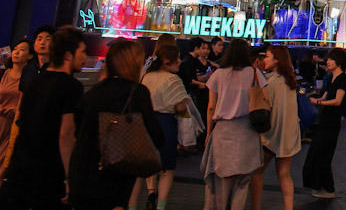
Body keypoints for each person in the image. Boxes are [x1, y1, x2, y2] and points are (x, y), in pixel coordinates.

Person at [67, 39, 162, 210]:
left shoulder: (94, 92)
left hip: (82, 171)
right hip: (114, 176)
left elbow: (78, 129)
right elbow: (155, 134)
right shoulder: (136, 92)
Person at [0, 26, 88, 209]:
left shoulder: (34, 82)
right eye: (82, 51)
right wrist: (69, 178)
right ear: (68, 55)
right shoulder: (71, 87)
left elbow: (22, 120)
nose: (85, 57)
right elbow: (66, 134)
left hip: (20, 170)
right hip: (47, 173)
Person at [200, 38, 264, 210]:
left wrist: (208, 133)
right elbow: (265, 99)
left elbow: (211, 106)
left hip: (223, 132)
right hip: (247, 131)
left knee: (222, 180)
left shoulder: (219, 74)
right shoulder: (254, 73)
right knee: (242, 182)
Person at [130, 43, 189, 210]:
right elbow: (179, 107)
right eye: (177, 58)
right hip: (165, 124)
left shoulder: (145, 76)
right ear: (167, 61)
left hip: (143, 123)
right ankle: (161, 206)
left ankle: (132, 206)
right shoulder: (173, 79)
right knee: (166, 169)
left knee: (139, 171)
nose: (179, 61)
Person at [251, 46, 301, 210]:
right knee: (284, 174)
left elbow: (265, 106)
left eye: (267, 56)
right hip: (288, 135)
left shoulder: (270, 82)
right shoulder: (290, 81)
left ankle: (255, 207)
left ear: (276, 59)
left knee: (256, 172)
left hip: (270, 135)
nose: (264, 59)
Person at [302, 47, 346, 199]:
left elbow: (337, 101)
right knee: (318, 153)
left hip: (332, 124)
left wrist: (318, 102)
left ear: (339, 61)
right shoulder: (331, 78)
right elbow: (326, 96)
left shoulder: (343, 79)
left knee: (324, 155)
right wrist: (315, 98)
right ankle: (322, 186)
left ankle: (329, 189)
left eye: (330, 59)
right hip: (324, 121)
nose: (327, 62)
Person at [0, 40, 31, 162]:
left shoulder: (29, 79)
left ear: (30, 56)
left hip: (12, 125)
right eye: (16, 49)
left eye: (22, 50)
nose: (17, 52)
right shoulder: (3, 73)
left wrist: (16, 110)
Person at [17, 25, 54, 93]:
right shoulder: (27, 69)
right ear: (34, 44)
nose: (42, 43)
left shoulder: (57, 68)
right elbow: (22, 95)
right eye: (39, 39)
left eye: (48, 39)